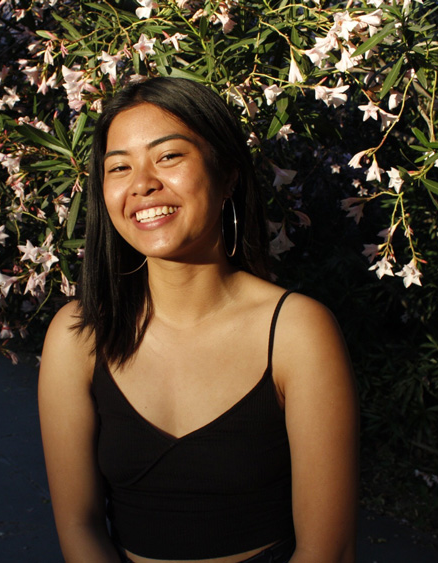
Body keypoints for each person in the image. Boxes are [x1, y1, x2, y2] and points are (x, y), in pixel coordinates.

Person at [38, 77, 358, 563]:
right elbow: (78, 525)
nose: (143, 183)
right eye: (119, 167)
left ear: (227, 174)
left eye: (168, 157)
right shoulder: (76, 335)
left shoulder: (297, 332)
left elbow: (327, 551)